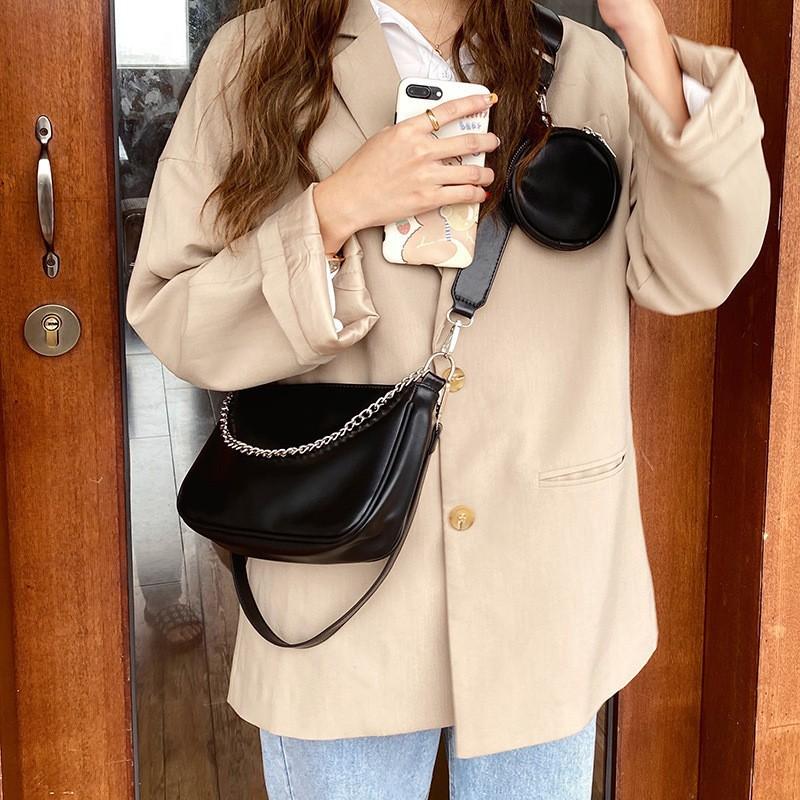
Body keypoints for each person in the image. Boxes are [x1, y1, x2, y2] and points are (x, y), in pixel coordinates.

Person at [126, 0, 770, 796]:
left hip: (543, 583)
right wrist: (335, 210)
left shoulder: (589, 67)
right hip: (340, 588)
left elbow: (694, 270)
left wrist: (641, 30)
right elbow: (177, 313)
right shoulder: (256, 58)